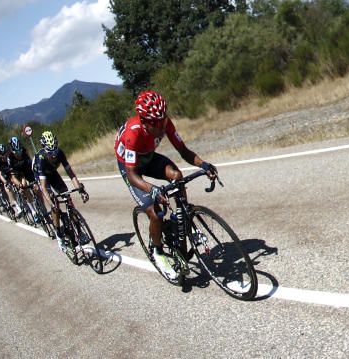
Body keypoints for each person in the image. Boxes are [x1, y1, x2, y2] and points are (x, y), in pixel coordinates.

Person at [114, 90, 218, 280]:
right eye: (156, 123)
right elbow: (131, 174)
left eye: (163, 120)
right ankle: (158, 251)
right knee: (154, 211)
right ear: (144, 121)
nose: (162, 127)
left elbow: (184, 151)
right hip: (131, 166)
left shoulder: (164, 121)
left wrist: (203, 164)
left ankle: (183, 220)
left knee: (177, 176)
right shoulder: (132, 134)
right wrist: (151, 189)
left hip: (149, 157)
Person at [33, 131, 89, 250]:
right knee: (55, 206)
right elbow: (43, 187)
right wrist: (51, 204)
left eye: (55, 152)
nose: (53, 156)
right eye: (50, 153)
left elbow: (70, 173)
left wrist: (80, 189)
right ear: (45, 149)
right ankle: (59, 234)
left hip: (53, 174)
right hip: (41, 177)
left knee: (67, 197)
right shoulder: (41, 159)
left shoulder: (60, 153)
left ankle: (79, 231)